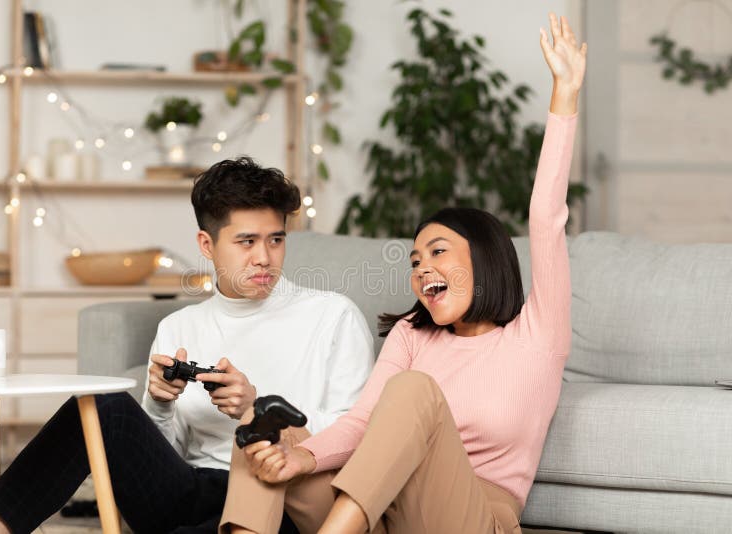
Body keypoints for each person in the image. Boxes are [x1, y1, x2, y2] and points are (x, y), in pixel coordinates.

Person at [219, 13, 586, 534]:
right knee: (260, 440)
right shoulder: (415, 335)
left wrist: (565, 96)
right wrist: (298, 459)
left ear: (483, 257)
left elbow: (547, 217)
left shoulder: (539, 334)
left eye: (438, 253)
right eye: (415, 261)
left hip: (477, 517)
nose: (422, 269)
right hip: (383, 508)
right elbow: (363, 425)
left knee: (414, 390)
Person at [0, 157, 374, 534]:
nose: (264, 258)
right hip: (193, 490)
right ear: (206, 244)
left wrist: (256, 409)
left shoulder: (333, 316)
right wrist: (161, 405)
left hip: (280, 498)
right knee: (100, 406)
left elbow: (355, 432)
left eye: (275, 240)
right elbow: (165, 455)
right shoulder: (179, 326)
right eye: (246, 242)